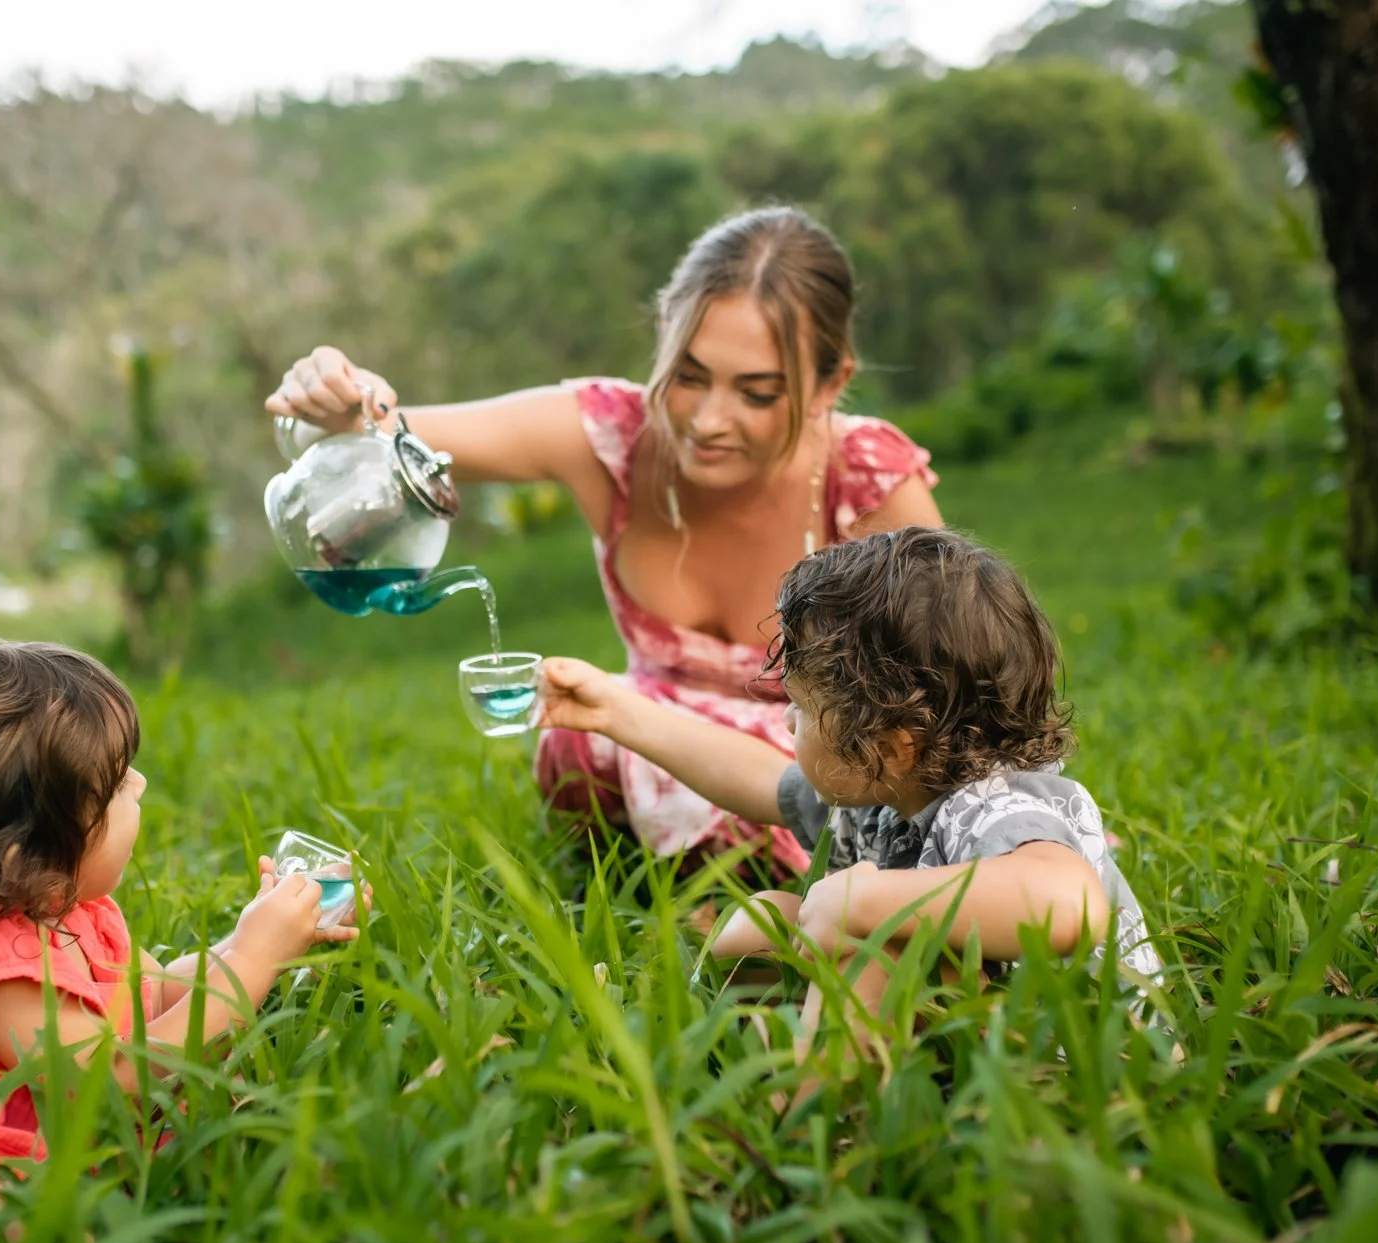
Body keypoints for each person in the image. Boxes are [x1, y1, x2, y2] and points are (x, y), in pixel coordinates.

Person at [266, 206, 942, 875]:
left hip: (819, 770)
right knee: (576, 747)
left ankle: (768, 898)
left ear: (831, 383)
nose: (708, 421)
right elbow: (374, 435)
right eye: (688, 376)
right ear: (662, 338)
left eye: (757, 394)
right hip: (648, 745)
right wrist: (336, 407)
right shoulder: (610, 433)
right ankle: (684, 884)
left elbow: (947, 704)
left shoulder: (867, 480)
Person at [534, 528, 1162, 1057]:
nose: (785, 723)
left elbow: (1070, 901)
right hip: (977, 1038)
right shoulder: (887, 792)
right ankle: (729, 1057)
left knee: (874, 944)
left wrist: (871, 898)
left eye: (801, 709)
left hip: (1081, 1065)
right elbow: (754, 778)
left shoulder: (995, 807)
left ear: (891, 744)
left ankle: (814, 1136)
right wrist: (615, 713)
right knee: (763, 920)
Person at [0, 641, 361, 1168]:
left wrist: (257, 938)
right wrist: (253, 965)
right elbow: (110, 1079)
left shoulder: (73, 913)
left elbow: (157, 994)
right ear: (25, 853)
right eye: (115, 783)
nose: (139, 784)